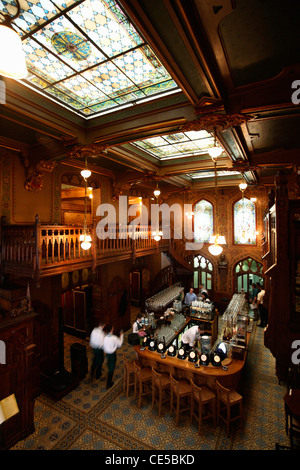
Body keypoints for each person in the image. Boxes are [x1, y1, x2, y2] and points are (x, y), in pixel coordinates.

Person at [102, 324, 124, 388]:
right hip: (112, 354)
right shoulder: (114, 338)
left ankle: (108, 365)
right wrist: (121, 336)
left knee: (109, 365)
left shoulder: (104, 337)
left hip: (106, 354)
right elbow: (119, 345)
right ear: (111, 330)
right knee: (111, 368)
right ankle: (108, 383)